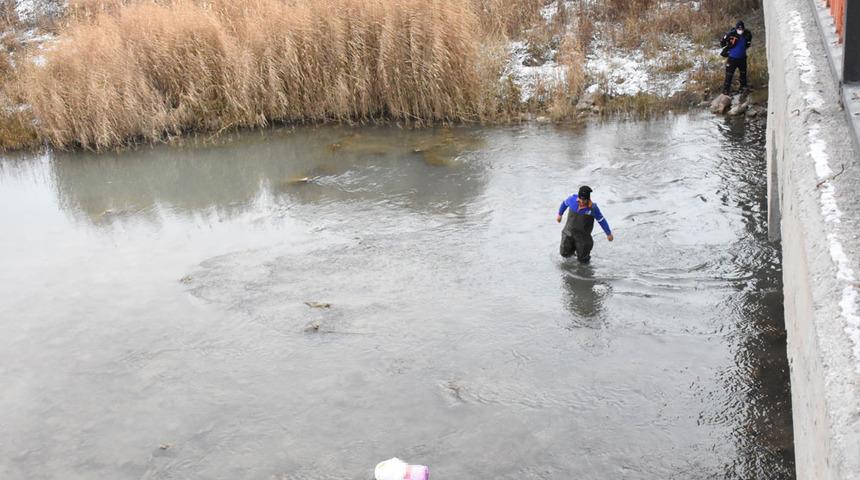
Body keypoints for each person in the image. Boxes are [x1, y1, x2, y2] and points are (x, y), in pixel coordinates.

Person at [556, 185, 613, 263]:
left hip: (583, 237)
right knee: (564, 253)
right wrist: (560, 214)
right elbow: (564, 204)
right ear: (578, 197)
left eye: (584, 200)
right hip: (568, 233)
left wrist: (608, 233)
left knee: (583, 260)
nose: (582, 202)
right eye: (580, 199)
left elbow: (601, 220)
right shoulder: (572, 199)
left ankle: (583, 274)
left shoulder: (593, 208)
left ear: (588, 199)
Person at [720, 20, 753, 95]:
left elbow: (748, 42)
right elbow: (722, 41)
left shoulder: (747, 34)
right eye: (739, 29)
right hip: (732, 58)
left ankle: (743, 87)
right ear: (736, 29)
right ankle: (726, 90)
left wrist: (744, 48)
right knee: (729, 74)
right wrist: (726, 50)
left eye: (741, 29)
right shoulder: (731, 34)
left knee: (743, 73)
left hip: (742, 58)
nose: (740, 31)